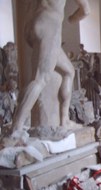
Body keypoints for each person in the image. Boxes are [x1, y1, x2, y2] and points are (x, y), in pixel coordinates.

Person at [12, 0, 90, 132]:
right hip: (50, 26)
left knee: (69, 71)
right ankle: (16, 127)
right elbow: (86, 10)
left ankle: (64, 120)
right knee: (40, 79)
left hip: (32, 25)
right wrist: (71, 19)